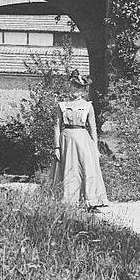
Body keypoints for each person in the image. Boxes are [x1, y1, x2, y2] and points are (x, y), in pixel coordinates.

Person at [51, 74, 109, 212]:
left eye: (79, 88)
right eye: (73, 86)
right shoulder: (62, 105)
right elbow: (56, 126)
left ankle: (90, 201)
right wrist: (57, 147)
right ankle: (67, 202)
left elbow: (93, 128)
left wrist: (95, 148)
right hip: (66, 141)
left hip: (84, 141)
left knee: (87, 168)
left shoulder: (87, 106)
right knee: (68, 169)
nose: (75, 90)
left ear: (84, 90)